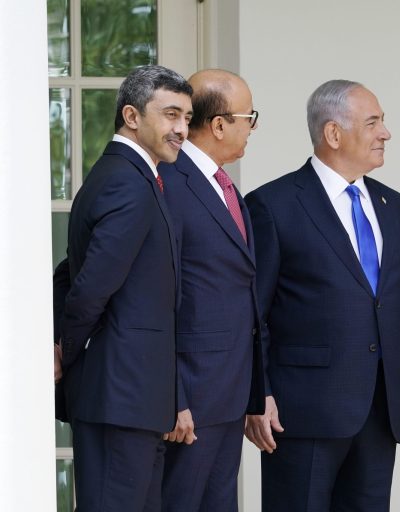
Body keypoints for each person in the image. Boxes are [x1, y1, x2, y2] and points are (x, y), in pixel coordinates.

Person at [244, 79, 400, 512]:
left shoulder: (396, 207)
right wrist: (257, 394)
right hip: (301, 413)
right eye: (373, 123)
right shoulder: (272, 205)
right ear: (333, 134)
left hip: (379, 410)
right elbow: (253, 313)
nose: (385, 133)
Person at [55, 65, 192, 512]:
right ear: (131, 116)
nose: (182, 130)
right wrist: (66, 349)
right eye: (171, 115)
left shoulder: (132, 177)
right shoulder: (125, 182)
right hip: (119, 396)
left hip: (134, 400)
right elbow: (91, 284)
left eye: (187, 118)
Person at [157, 69, 265, 511]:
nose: (253, 128)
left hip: (229, 394)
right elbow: (158, 298)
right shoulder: (168, 183)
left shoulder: (222, 184)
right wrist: (173, 397)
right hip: (191, 399)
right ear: (219, 124)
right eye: (249, 117)